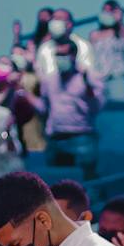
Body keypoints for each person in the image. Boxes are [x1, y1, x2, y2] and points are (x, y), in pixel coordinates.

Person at [41, 35, 104, 177]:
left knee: (89, 183)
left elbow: (97, 107)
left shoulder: (89, 77)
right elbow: (43, 107)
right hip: (56, 138)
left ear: (73, 55)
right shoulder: (49, 79)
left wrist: (87, 83)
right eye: (57, 55)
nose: (59, 59)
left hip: (82, 137)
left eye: (63, 55)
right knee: (57, 185)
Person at [87, 0, 124, 103]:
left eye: (110, 11)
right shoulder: (94, 34)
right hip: (99, 79)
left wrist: (119, 21)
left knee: (120, 109)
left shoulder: (122, 32)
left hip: (118, 77)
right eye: (104, 10)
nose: (107, 13)